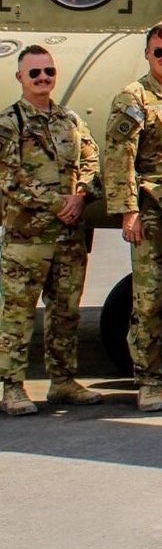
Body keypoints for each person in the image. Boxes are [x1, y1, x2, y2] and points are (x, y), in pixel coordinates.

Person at [0, 45, 102, 415]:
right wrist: (60, 203)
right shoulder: (9, 123)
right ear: (20, 78)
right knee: (18, 315)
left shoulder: (70, 120)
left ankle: (62, 381)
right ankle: (12, 387)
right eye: (35, 74)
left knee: (65, 312)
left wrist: (82, 195)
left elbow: (91, 159)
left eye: (48, 72)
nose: (43, 79)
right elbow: (10, 180)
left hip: (68, 238)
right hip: (28, 240)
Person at [105, 23, 162, 412]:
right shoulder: (133, 97)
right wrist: (128, 211)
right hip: (153, 208)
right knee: (150, 298)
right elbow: (119, 157)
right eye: (159, 52)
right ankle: (147, 378)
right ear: (147, 54)